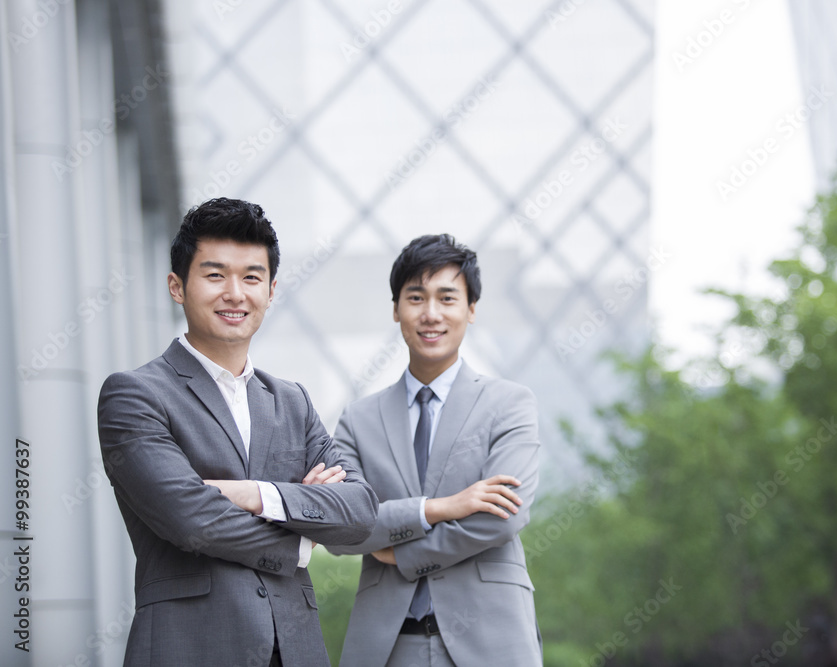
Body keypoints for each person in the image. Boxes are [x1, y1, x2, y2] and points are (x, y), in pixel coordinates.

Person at [97, 197, 378, 666]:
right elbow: (190, 520)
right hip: (189, 646)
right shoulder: (135, 394)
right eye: (214, 275)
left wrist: (252, 494)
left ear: (270, 290)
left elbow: (360, 513)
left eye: (251, 277)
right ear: (177, 286)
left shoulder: (292, 401)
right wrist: (302, 538)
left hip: (296, 651)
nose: (235, 293)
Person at [324, 234, 543, 667]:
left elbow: (504, 517)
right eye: (416, 297)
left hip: (491, 641)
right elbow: (343, 526)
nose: (431, 314)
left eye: (447, 298)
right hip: (388, 645)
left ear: (471, 309)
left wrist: (402, 553)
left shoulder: (509, 404)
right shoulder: (358, 420)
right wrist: (438, 508)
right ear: (395, 309)